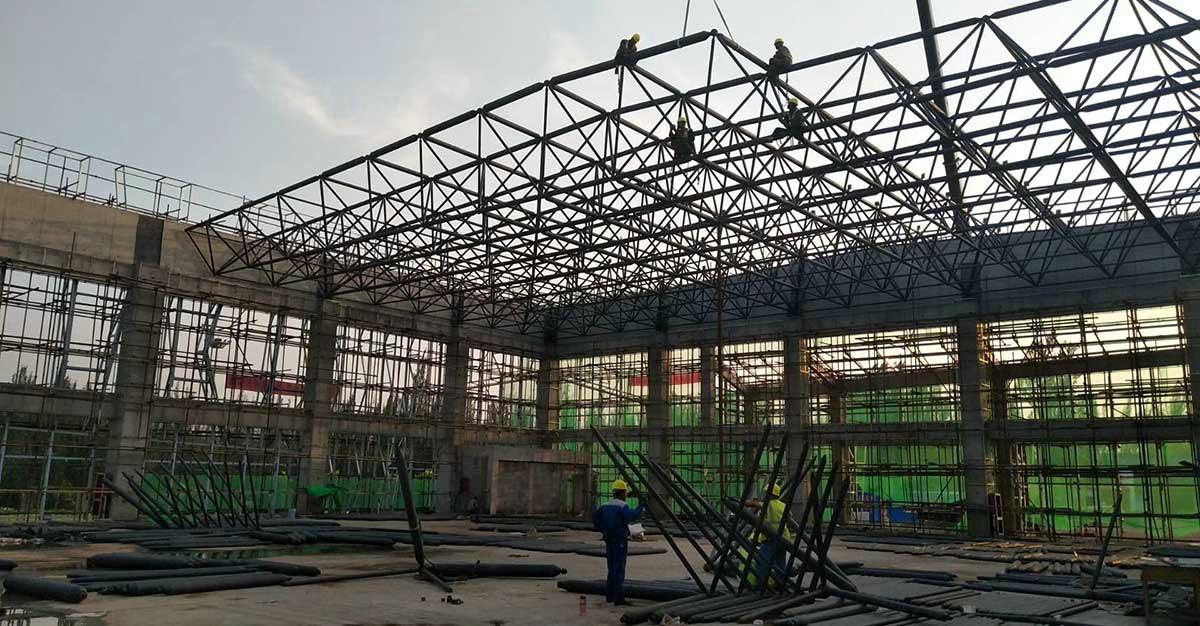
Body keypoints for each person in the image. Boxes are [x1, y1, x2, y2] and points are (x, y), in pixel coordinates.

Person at [592, 479, 645, 605]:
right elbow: (631, 516)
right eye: (625, 493)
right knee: (619, 568)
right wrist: (641, 505)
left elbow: (596, 520)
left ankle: (610, 596)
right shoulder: (622, 506)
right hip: (619, 540)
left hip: (609, 539)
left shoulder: (604, 506)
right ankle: (619, 598)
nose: (626, 495)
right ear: (622, 493)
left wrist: (603, 530)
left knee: (611, 568)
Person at [746, 483, 794, 590]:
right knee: (780, 563)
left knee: (763, 562)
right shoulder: (783, 505)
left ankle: (761, 585)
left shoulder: (767, 504)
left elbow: (753, 504)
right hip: (783, 538)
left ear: (770, 494)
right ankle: (780, 583)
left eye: (766, 492)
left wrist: (741, 502)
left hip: (770, 538)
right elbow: (790, 515)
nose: (765, 494)